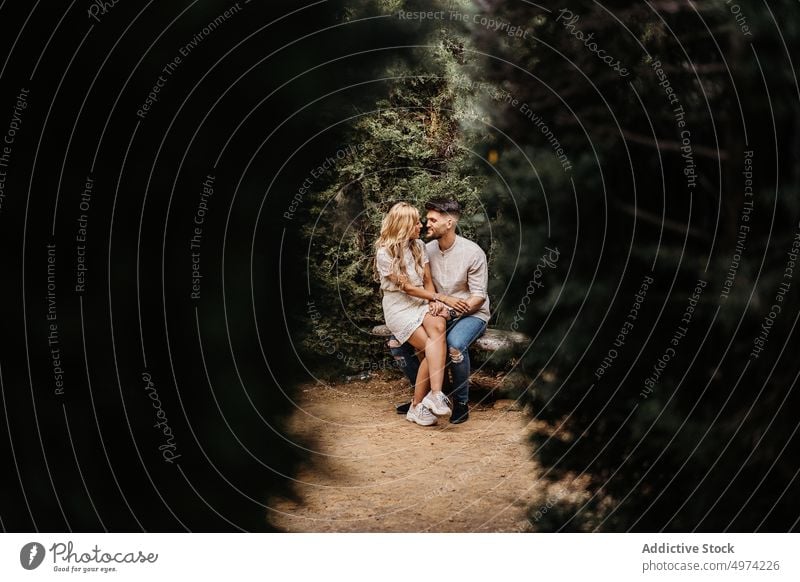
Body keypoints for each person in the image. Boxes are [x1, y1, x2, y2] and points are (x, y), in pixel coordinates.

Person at [393, 198, 490, 424]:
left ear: (449, 223)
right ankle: (424, 397)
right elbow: (421, 285)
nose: (428, 224)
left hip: (471, 314)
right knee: (397, 342)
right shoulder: (426, 250)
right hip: (435, 312)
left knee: (455, 344)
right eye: (427, 219)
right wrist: (433, 306)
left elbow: (479, 296)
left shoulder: (473, 252)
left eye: (433, 220)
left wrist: (453, 313)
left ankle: (461, 403)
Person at [374, 202, 469, 426]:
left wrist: (433, 302)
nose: (420, 225)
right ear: (403, 225)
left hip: (422, 302)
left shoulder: (418, 246)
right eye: (416, 222)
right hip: (399, 307)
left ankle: (435, 395)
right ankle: (417, 406)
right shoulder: (384, 253)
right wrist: (439, 299)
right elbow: (406, 288)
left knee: (438, 324)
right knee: (431, 346)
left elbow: (427, 281)